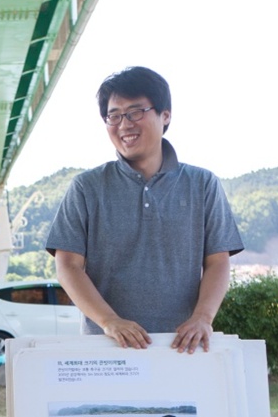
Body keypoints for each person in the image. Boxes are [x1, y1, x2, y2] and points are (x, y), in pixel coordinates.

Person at [45, 66, 244, 354]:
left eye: (136, 111)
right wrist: (110, 321)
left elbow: (218, 262)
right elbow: (67, 266)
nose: (124, 124)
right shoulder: (86, 187)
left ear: (166, 115)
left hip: (181, 347)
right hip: (106, 348)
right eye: (114, 115)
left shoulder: (202, 184)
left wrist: (202, 318)